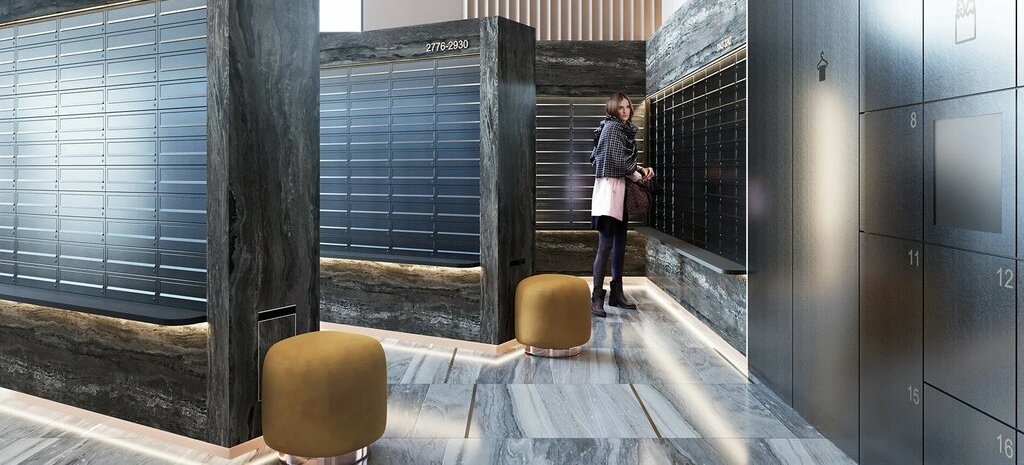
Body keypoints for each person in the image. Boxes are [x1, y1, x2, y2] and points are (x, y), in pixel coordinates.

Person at [589, 91, 654, 318]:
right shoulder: (612, 128)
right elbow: (615, 161)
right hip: (609, 197)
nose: (625, 111)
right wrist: (639, 174)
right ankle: (597, 297)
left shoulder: (623, 130)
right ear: (613, 109)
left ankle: (616, 294)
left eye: (627, 106)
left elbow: (625, 162)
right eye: (621, 107)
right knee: (605, 246)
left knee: (619, 246)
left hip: (620, 196)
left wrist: (640, 170)